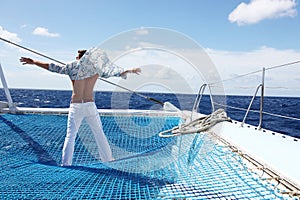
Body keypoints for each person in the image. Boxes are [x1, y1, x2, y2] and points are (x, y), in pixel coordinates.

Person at [20, 49, 141, 166]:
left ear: (79, 58)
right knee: (99, 133)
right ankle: (108, 159)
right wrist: (130, 70)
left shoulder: (71, 66)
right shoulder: (95, 68)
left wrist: (34, 62)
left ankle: (66, 164)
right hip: (89, 105)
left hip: (76, 105)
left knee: (70, 135)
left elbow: (51, 67)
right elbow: (115, 72)